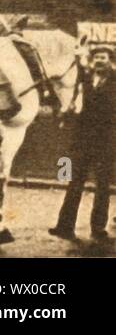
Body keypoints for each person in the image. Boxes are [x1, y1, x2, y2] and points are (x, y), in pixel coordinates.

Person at [50, 43, 115, 244]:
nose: (99, 61)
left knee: (102, 186)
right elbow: (77, 102)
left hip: (106, 141)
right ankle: (65, 226)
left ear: (110, 61)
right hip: (83, 140)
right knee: (74, 182)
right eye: (96, 58)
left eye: (103, 58)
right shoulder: (86, 79)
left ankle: (98, 228)